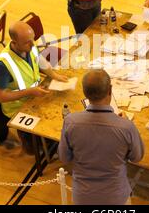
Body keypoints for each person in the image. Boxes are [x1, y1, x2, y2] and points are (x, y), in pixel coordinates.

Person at [58, 69, 144, 204]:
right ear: (110, 90)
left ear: (85, 93)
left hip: (83, 196)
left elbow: (64, 158)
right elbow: (137, 157)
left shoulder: (70, 122)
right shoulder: (126, 127)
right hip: (116, 196)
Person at [0, 21, 68, 151]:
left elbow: (41, 62)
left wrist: (55, 76)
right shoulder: (3, 65)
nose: (33, 44)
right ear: (14, 42)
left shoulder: (29, 46)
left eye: (32, 39)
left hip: (36, 96)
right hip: (18, 108)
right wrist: (29, 92)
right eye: (27, 42)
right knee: (34, 149)